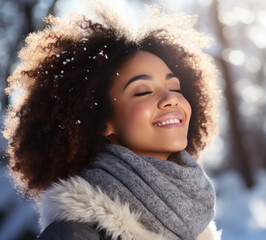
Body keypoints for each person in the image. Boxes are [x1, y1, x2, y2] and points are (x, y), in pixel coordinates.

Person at [3, 4, 221, 240]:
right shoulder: (73, 234)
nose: (170, 99)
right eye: (143, 91)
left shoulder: (198, 227)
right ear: (101, 122)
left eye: (175, 88)